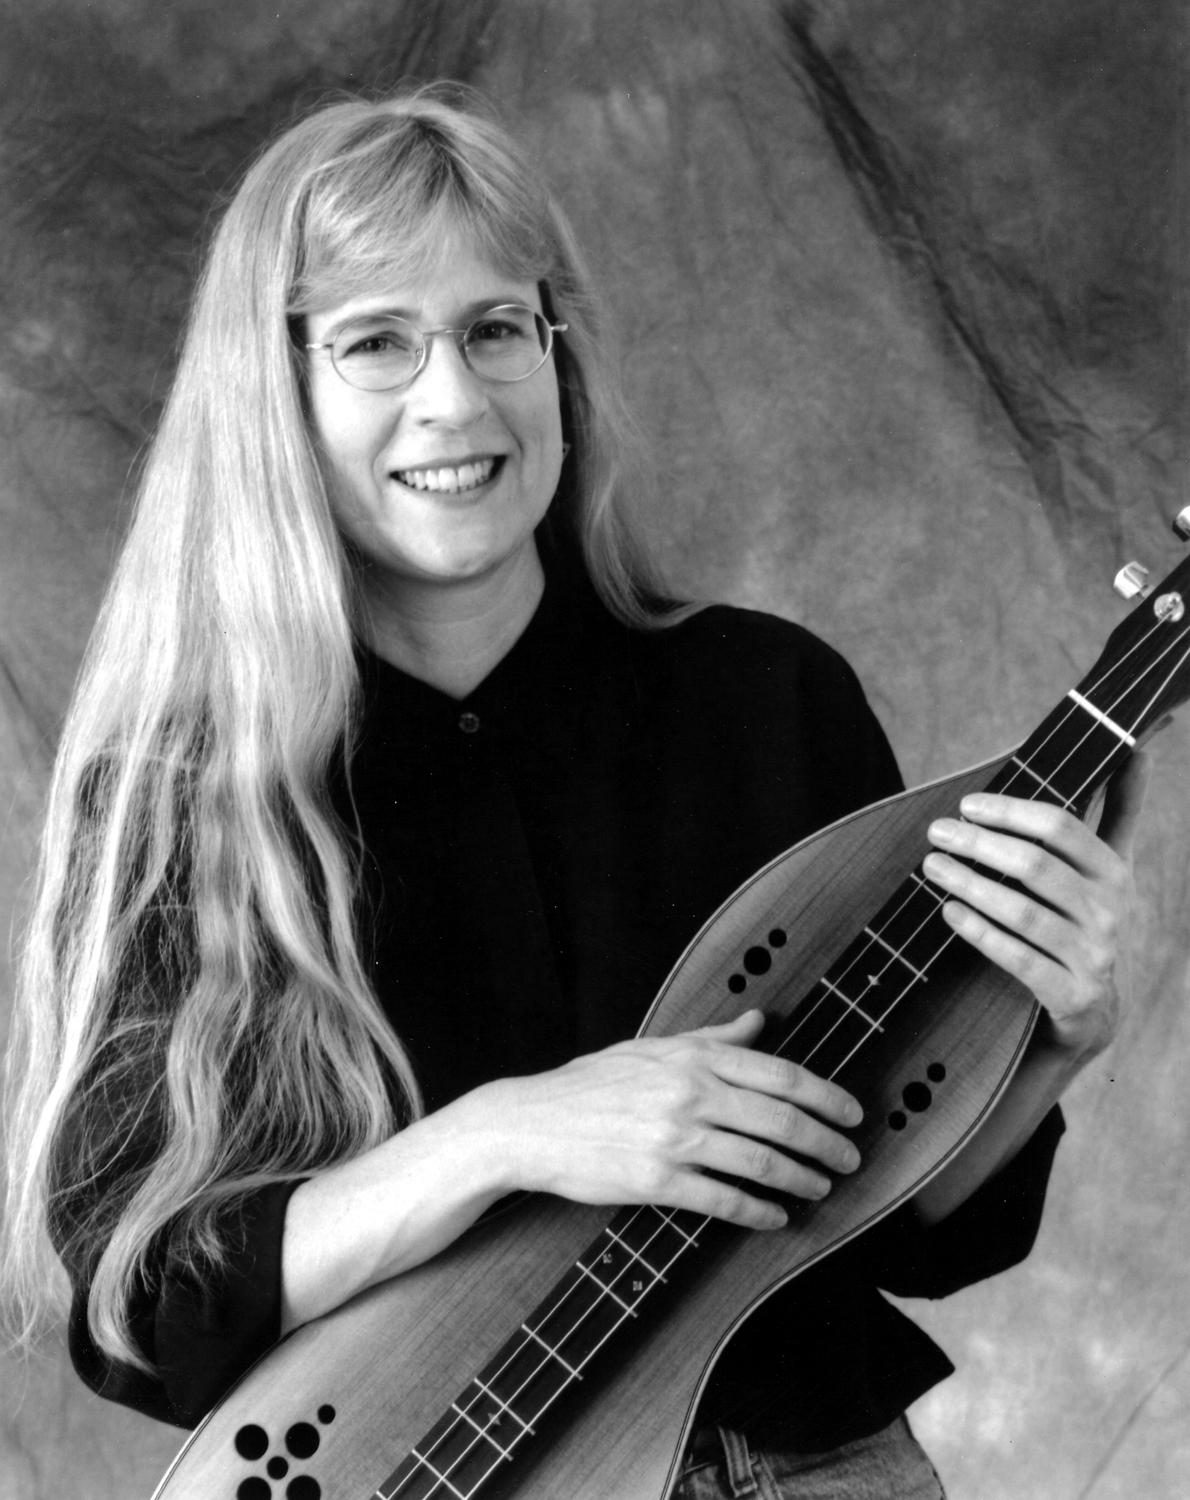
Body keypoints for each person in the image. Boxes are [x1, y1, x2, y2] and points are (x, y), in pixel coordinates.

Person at [2, 85, 1142, 1499]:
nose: (455, 398)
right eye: (375, 341)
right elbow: (146, 1312)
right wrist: (507, 1135)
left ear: (560, 356)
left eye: (496, 327)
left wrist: (1051, 1044)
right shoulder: (185, 797)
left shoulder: (767, 699)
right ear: (272, 395)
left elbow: (916, 1229)